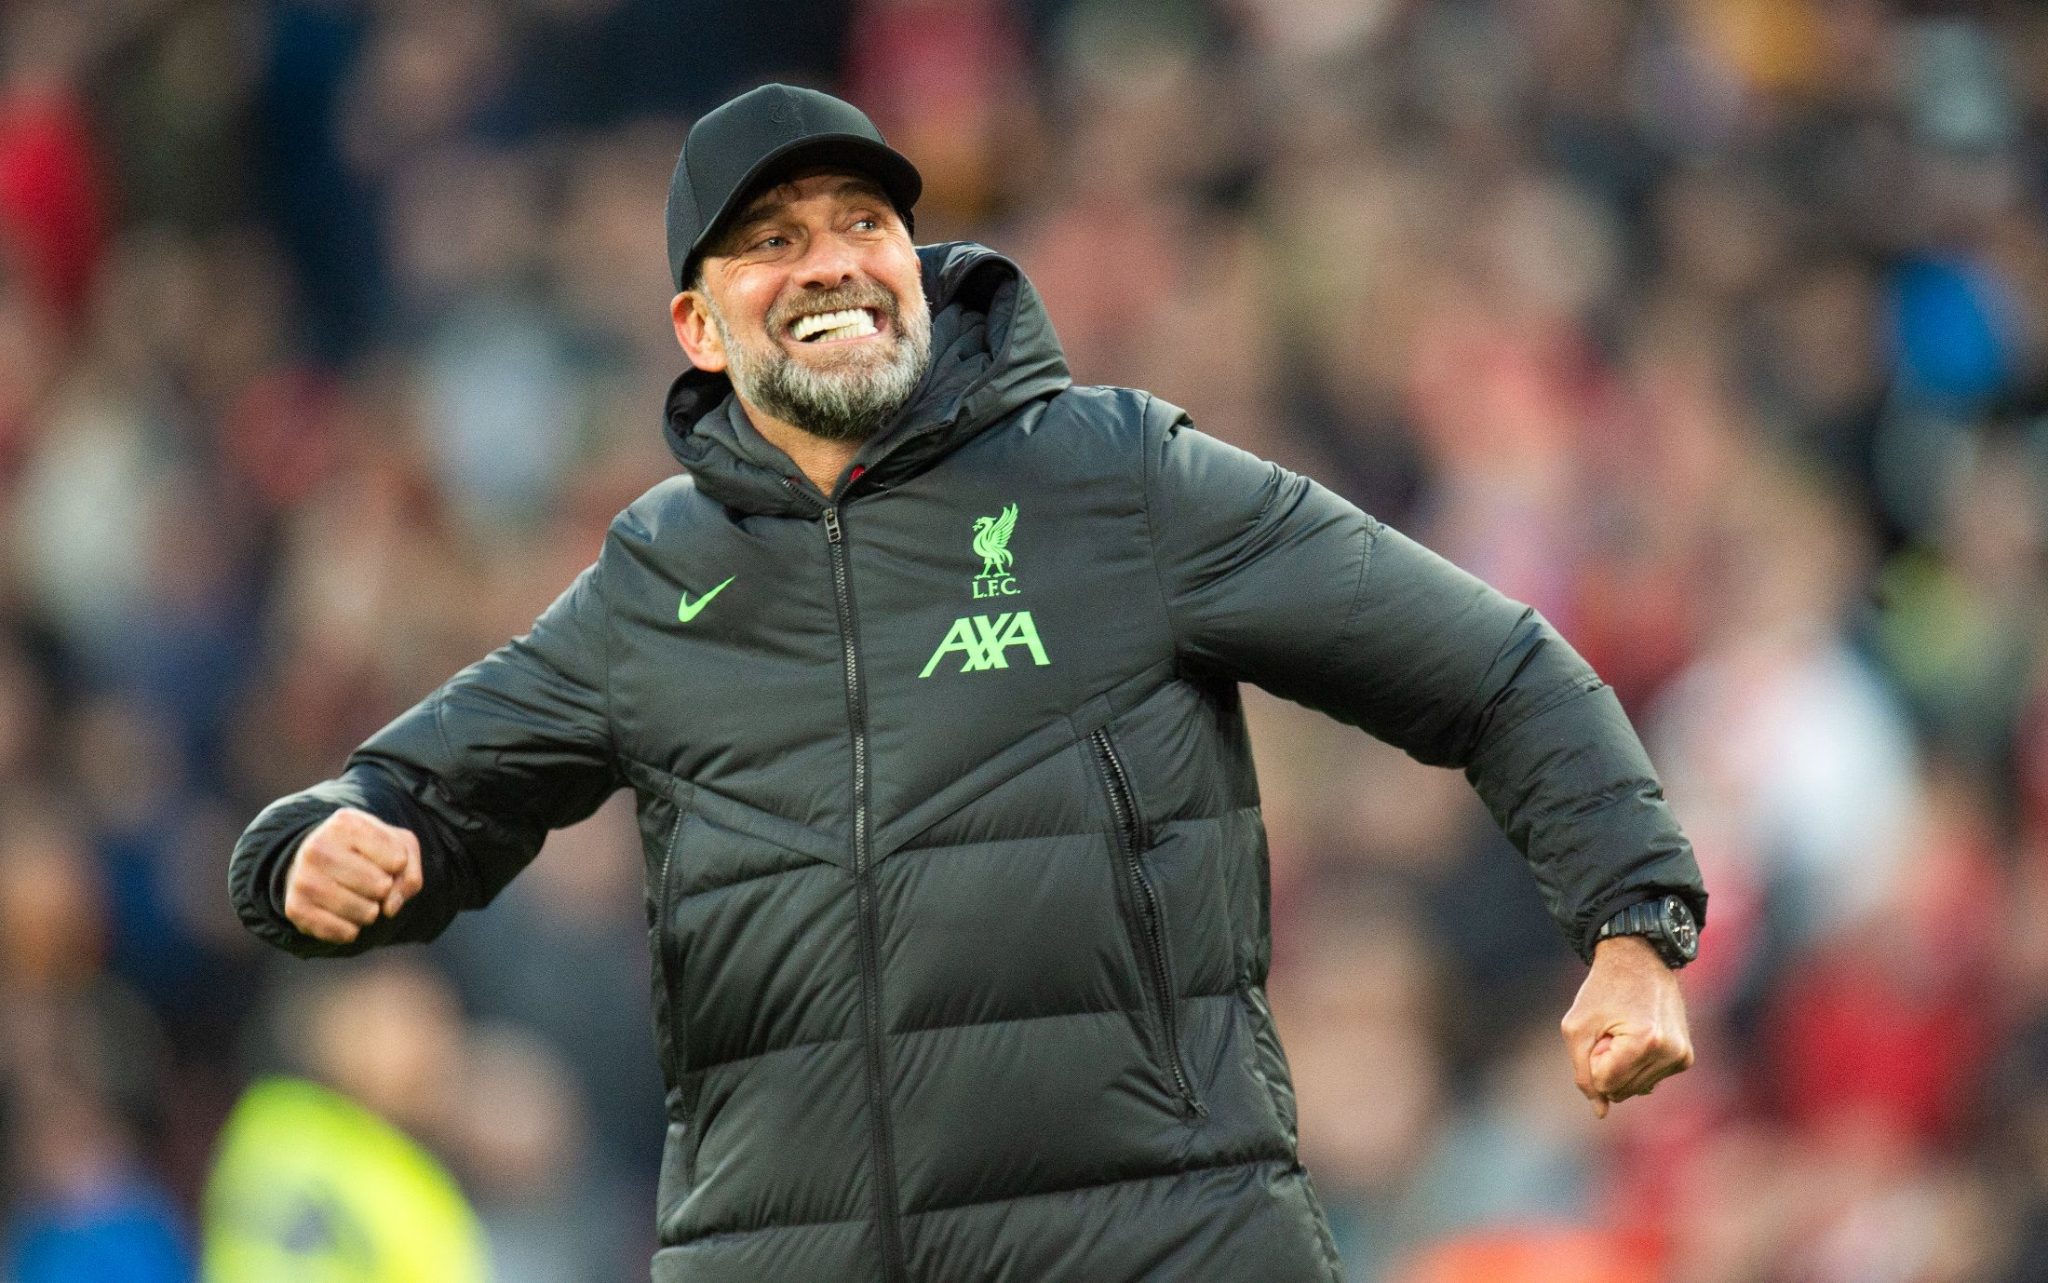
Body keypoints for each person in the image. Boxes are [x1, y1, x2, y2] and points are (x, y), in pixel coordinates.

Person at [230, 83, 1707, 1283]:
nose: (830, 261)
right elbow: (415, 793)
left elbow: (1491, 668)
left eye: (862, 221)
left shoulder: (1117, 478)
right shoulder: (656, 580)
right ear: (698, 326)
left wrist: (1633, 925)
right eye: (772, 239)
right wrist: (320, 841)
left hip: (1162, 1250)